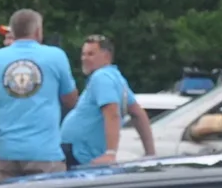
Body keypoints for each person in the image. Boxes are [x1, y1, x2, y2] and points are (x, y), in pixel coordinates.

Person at [0, 9, 78, 182]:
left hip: (5, 152)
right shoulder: (55, 56)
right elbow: (70, 100)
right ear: (37, 30)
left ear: (13, 31)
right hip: (45, 153)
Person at [61, 32, 157, 166]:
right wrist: (151, 154)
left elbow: (112, 113)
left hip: (81, 156)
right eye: (83, 54)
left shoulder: (102, 77)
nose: (84, 58)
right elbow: (138, 114)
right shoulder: (115, 78)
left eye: (90, 54)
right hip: (79, 154)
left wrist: (110, 154)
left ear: (106, 56)